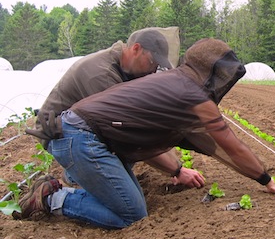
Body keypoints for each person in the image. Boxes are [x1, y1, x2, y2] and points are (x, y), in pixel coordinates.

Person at [15, 38, 275, 229]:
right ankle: (53, 197)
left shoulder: (174, 80)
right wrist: (265, 179)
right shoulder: (194, 96)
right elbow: (230, 146)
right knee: (132, 215)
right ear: (212, 72)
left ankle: (82, 182)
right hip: (79, 138)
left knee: (130, 199)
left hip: (80, 134)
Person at [28, 27, 200, 189]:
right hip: (61, 135)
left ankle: (82, 173)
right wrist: (177, 170)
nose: (153, 69)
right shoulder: (102, 76)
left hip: (84, 130)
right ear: (136, 49)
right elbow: (132, 135)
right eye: (151, 62)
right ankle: (55, 196)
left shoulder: (125, 69)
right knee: (129, 205)